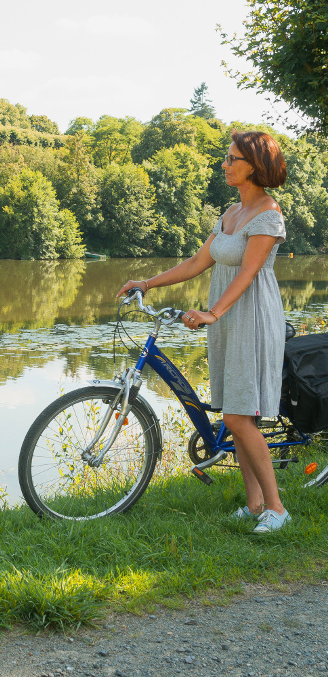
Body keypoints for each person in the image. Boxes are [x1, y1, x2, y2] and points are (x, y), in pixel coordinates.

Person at [117, 130, 289, 534]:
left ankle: (277, 508)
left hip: (251, 317)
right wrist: (147, 282)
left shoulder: (269, 214)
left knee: (239, 415)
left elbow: (248, 273)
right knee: (235, 410)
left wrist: (212, 312)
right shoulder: (231, 212)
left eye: (232, 159)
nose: (224, 165)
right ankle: (254, 504)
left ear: (255, 166)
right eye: (226, 158)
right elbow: (197, 261)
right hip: (226, 317)